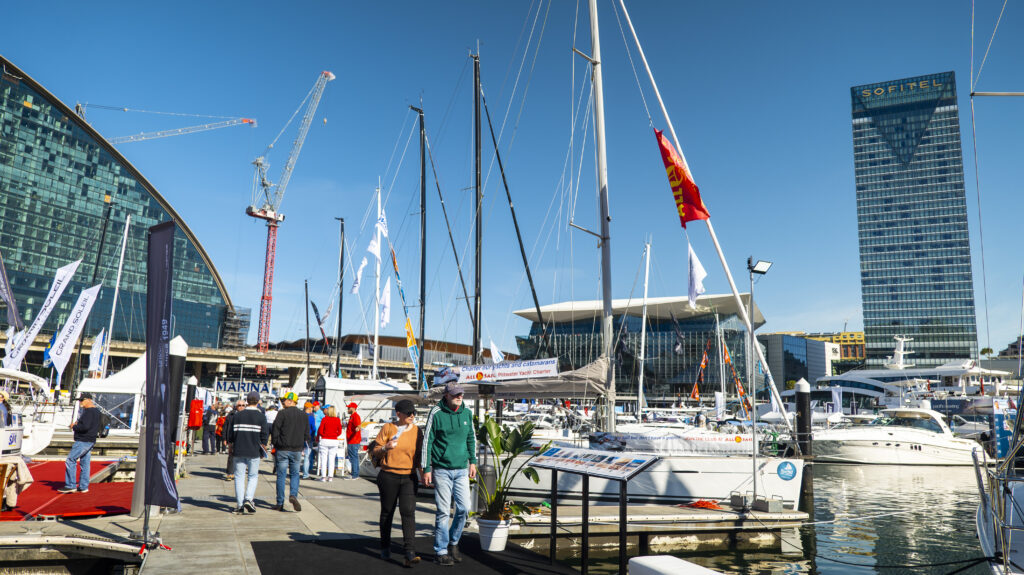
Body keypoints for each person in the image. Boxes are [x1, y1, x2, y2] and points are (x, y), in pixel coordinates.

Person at [421, 382, 477, 565]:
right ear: (446, 395)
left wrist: (473, 462)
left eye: (461, 394)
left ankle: (454, 541)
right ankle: (441, 551)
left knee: (464, 509)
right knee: (443, 511)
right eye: (455, 394)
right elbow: (427, 441)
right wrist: (426, 468)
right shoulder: (436, 413)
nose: (459, 396)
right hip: (442, 470)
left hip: (461, 469)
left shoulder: (467, 413)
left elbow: (471, 438)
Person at [372, 398, 422, 566]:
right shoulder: (388, 428)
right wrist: (386, 448)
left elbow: (421, 455)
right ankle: (385, 546)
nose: (412, 415)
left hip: (409, 476)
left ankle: (409, 552)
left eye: (413, 412)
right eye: (408, 413)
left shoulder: (417, 431)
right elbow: (376, 451)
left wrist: (426, 473)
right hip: (388, 476)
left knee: (408, 512)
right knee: (387, 511)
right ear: (398, 413)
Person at [226, 391, 268, 515]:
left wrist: (230, 445)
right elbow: (265, 435)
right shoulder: (261, 416)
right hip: (254, 450)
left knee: (239, 477)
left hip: (238, 449)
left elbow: (231, 434)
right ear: (258, 401)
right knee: (253, 476)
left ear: (246, 401)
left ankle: (239, 505)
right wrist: (263, 447)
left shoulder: (238, 415)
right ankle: (249, 499)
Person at [271, 392, 309, 512]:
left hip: (283, 449)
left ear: (291, 401)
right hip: (297, 449)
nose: (283, 402)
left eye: (285, 400)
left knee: (281, 475)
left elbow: (275, 430)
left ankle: (280, 502)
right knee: (295, 474)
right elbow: (307, 433)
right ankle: (293, 495)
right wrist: (303, 444)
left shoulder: (282, 413)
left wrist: (275, 444)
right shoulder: (303, 415)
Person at [59, 393, 103, 494]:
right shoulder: (97, 411)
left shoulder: (88, 412)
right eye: (80, 400)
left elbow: (85, 427)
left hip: (83, 440)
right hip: (91, 440)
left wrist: (74, 426)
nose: (80, 402)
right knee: (85, 463)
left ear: (88, 400)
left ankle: (70, 485)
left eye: (82, 400)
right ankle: (83, 486)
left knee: (70, 460)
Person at [316, 406, 342, 481]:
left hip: (325, 440)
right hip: (334, 441)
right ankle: (330, 477)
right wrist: (334, 435)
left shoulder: (324, 419)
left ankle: (323, 476)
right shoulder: (337, 420)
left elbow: (320, 431)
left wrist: (324, 435)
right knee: (331, 459)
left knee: (323, 459)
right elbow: (339, 431)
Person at [223, 400, 245, 481]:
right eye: (240, 405)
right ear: (236, 406)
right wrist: (225, 438)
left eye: (243, 405)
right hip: (232, 438)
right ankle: (230, 473)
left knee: (241, 457)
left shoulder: (246, 415)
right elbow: (225, 427)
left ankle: (237, 472)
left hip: (243, 438)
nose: (241, 407)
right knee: (231, 456)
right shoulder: (231, 415)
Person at [345, 402, 362, 480]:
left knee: (353, 458)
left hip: (353, 440)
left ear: (352, 408)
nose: (347, 409)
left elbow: (358, 425)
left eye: (349, 408)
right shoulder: (352, 416)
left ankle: (354, 475)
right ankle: (355, 474)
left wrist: (357, 428)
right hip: (351, 440)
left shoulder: (355, 416)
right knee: (353, 457)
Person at [301, 402, 315, 479]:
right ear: (308, 408)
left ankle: (295, 472)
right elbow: (313, 428)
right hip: (308, 439)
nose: (312, 409)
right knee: (307, 457)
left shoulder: (300, 415)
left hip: (299, 438)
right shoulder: (311, 417)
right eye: (311, 407)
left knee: (297, 457)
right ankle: (305, 474)